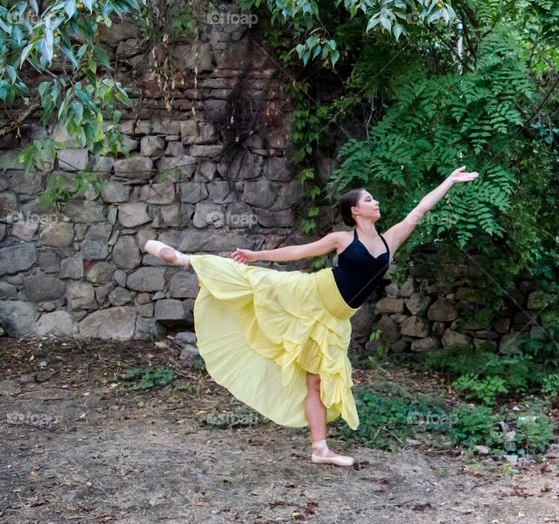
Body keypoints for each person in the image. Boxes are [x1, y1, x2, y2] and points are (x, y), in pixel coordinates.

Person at [143, 166, 479, 466]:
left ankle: (320, 449)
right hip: (312, 294)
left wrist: (448, 181)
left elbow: (419, 210)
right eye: (370, 199)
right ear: (355, 210)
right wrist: (257, 254)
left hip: (334, 320)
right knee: (261, 282)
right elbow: (300, 252)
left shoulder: (390, 241)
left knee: (317, 380)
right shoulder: (342, 239)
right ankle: (188, 260)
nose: (376, 203)